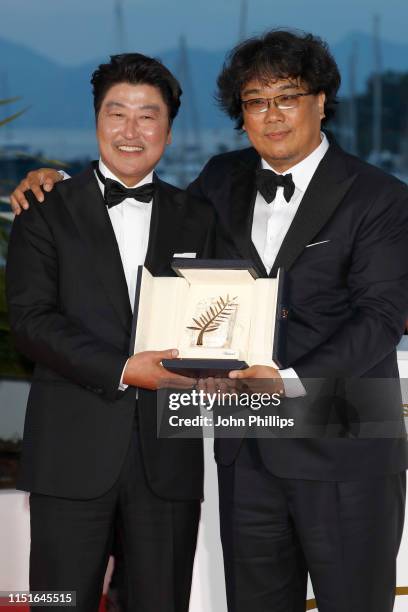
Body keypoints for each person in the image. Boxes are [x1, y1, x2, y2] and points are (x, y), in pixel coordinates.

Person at [9, 30, 408, 612]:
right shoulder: (220, 180)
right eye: (254, 101)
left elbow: (382, 315)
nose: (270, 115)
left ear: (322, 100)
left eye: (287, 97)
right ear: (239, 114)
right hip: (248, 450)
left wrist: (289, 381)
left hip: (345, 441)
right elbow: (131, 216)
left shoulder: (382, 196)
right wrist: (50, 178)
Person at [6, 53, 214, 612]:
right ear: (96, 120)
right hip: (69, 454)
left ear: (168, 131)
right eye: (116, 113)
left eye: (147, 116)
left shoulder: (200, 216)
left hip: (168, 459)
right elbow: (31, 322)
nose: (130, 130)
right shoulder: (44, 208)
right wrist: (123, 369)